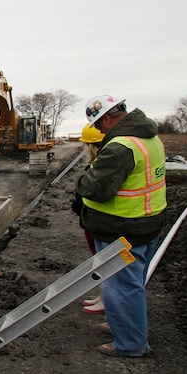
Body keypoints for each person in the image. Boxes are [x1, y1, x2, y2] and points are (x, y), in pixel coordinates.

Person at [75, 94, 166, 358]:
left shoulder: (120, 147)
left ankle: (130, 344)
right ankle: (122, 325)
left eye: (98, 125)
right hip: (146, 224)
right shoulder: (150, 138)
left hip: (123, 231)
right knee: (132, 284)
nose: (99, 131)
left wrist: (83, 176)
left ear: (106, 119)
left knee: (121, 288)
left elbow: (93, 187)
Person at [72, 123, 106, 314]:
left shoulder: (100, 167)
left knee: (104, 263)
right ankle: (103, 296)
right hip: (94, 223)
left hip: (99, 224)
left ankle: (106, 300)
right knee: (100, 261)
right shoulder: (97, 165)